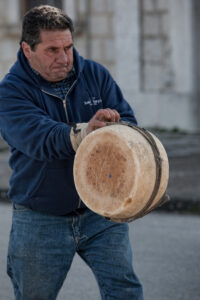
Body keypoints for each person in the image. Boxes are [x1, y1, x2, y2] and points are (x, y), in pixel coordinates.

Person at [0, 5, 143, 300]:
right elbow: (41, 138)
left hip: (102, 211)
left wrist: (116, 125)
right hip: (41, 216)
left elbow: (130, 122)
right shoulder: (10, 92)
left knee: (125, 291)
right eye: (52, 49)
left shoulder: (95, 74)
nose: (64, 58)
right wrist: (87, 133)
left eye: (68, 47)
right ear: (27, 49)